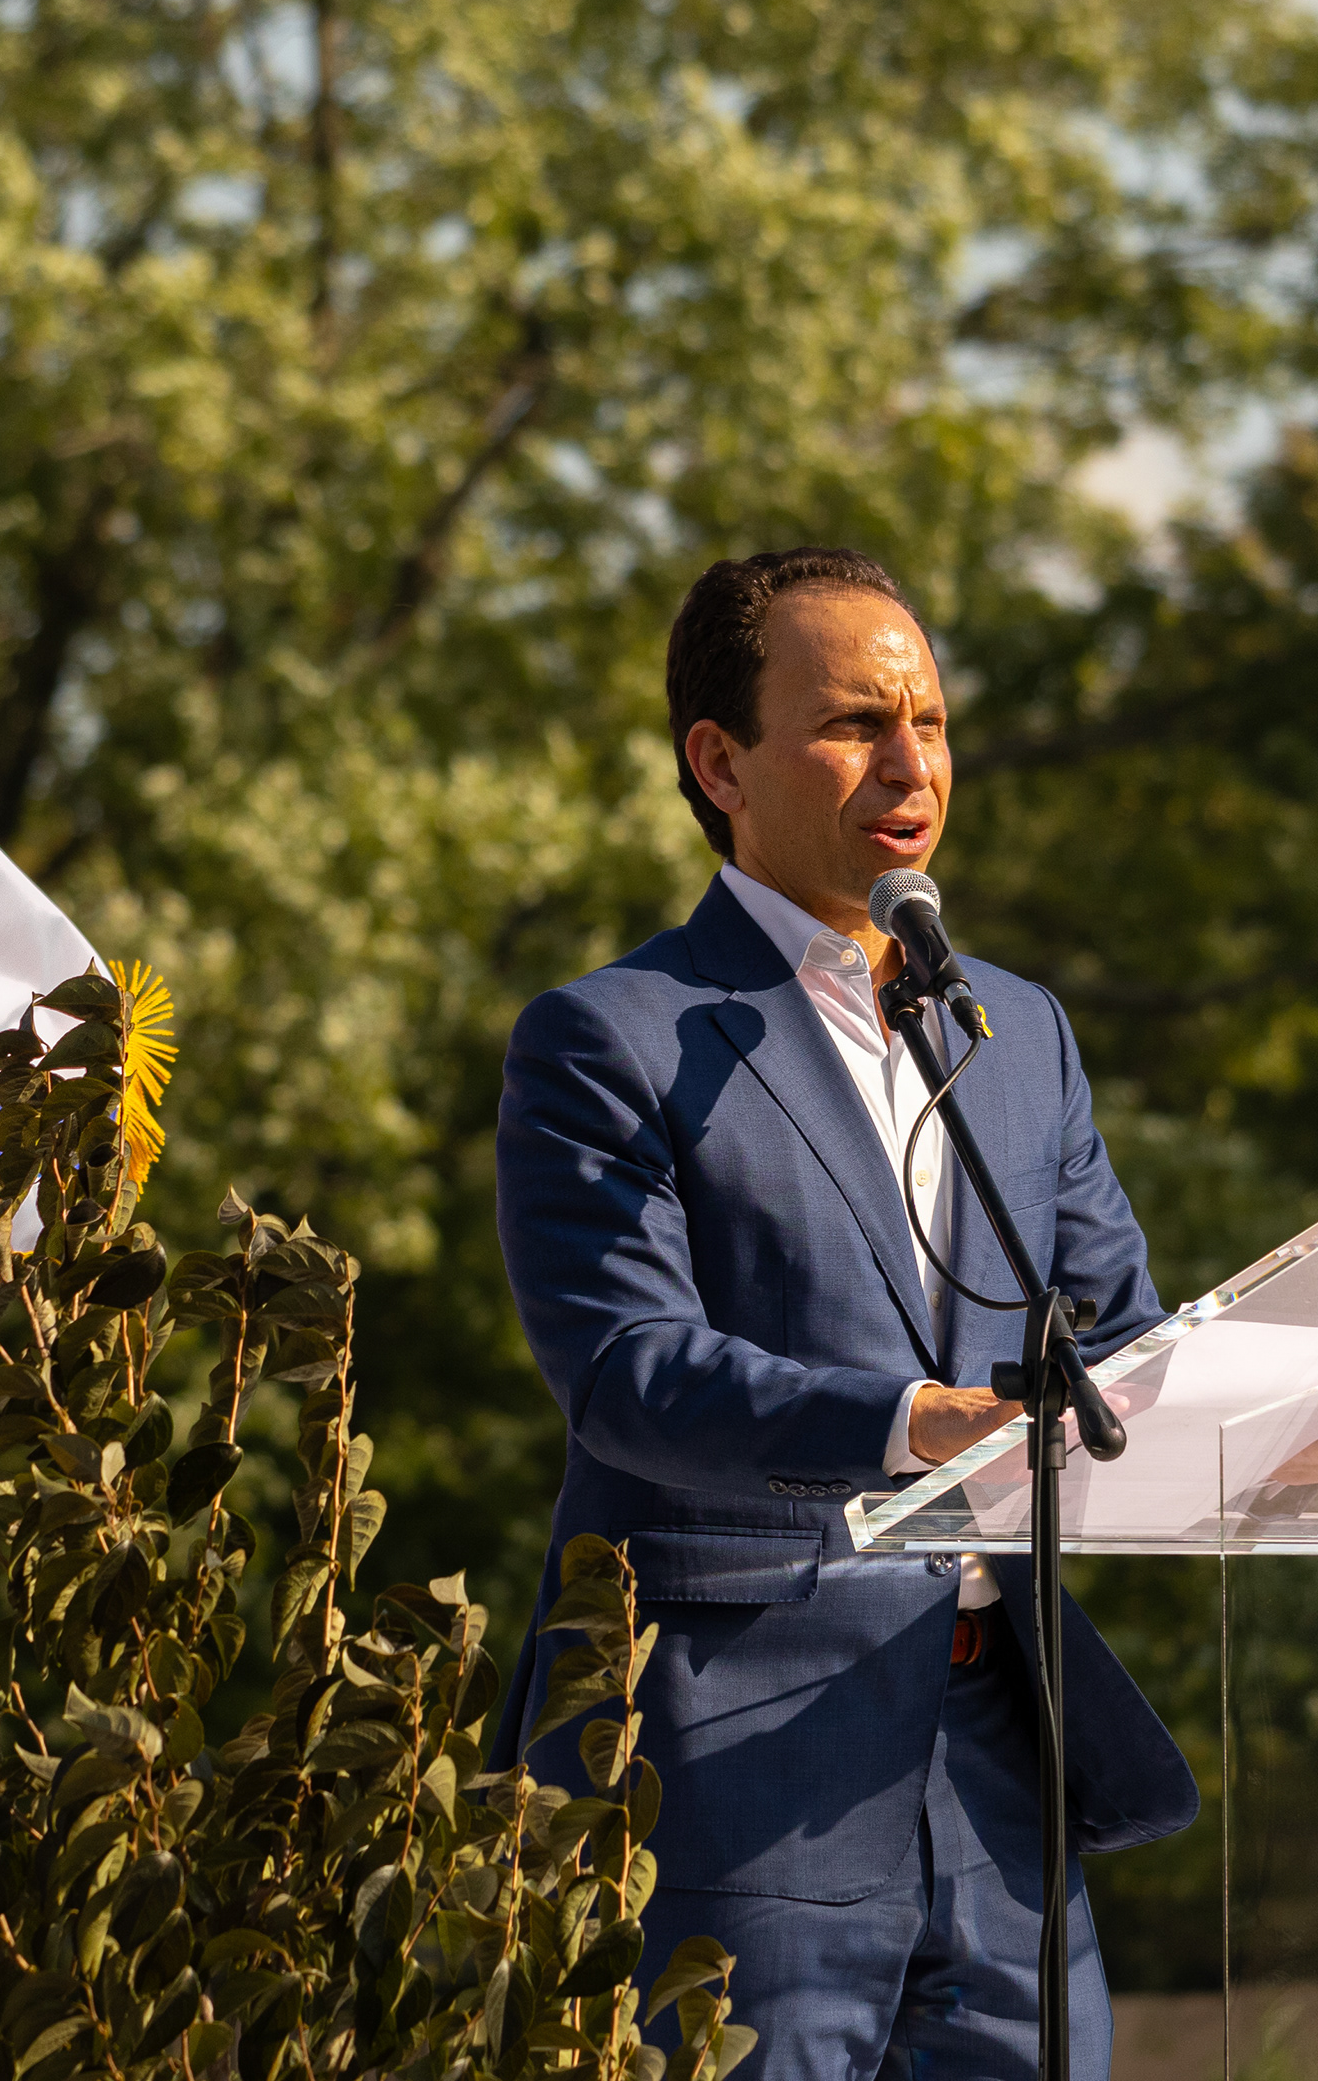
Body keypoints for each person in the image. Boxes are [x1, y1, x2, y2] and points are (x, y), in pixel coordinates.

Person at [493, 545, 1195, 2081]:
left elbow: (1126, 1335)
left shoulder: (1016, 1036)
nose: (911, 762)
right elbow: (629, 1371)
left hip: (1004, 1772)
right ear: (719, 762)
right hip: (741, 1769)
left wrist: (1311, 1415)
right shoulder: (614, 1041)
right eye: (855, 724)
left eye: (931, 723)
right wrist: (904, 1424)